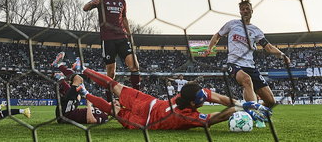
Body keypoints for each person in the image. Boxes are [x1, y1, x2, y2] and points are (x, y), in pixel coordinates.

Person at [77, 67, 270, 130]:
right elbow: (215, 118)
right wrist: (238, 110)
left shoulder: (186, 95)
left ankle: (84, 71)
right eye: (202, 98)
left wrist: (244, 103)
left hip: (148, 102)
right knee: (113, 110)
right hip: (143, 121)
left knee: (115, 87)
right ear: (194, 104)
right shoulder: (185, 116)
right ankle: (85, 92)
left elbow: (219, 98)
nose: (206, 97)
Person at [203, 0, 290, 127]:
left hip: (250, 66)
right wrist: (210, 47)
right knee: (246, 80)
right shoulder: (232, 24)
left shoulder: (256, 31)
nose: (245, 11)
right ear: (240, 11)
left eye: (247, 8)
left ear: (251, 11)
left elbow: (268, 47)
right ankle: (254, 115)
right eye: (242, 9)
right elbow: (217, 35)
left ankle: (249, 109)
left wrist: (282, 55)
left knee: (271, 101)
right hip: (234, 63)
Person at [83, 0, 140, 97]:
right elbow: (85, 8)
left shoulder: (122, 1)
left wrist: (130, 34)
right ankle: (109, 99)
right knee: (111, 72)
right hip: (108, 39)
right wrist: (92, 3)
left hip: (122, 37)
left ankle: (138, 95)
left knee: (134, 65)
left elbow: (124, 18)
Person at [52, 52, 109, 124]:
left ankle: (59, 66)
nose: (112, 102)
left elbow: (90, 120)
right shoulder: (101, 109)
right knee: (79, 94)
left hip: (65, 115)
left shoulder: (104, 117)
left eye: (115, 104)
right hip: (68, 112)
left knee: (78, 80)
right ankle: (66, 75)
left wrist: (89, 105)